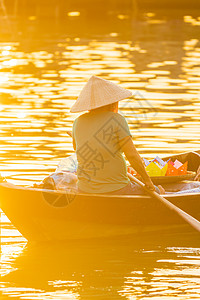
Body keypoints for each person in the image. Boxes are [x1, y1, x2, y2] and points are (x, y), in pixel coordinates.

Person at [70, 75, 163, 195]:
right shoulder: (117, 120)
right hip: (117, 188)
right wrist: (148, 181)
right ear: (112, 103)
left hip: (84, 188)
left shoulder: (78, 122)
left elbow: (77, 149)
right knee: (159, 190)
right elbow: (132, 156)